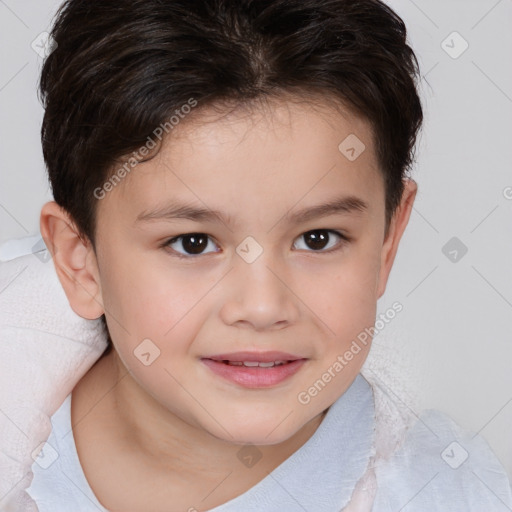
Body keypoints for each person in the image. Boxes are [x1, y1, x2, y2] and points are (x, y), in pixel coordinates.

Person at [16, 0, 511, 510]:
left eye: (318, 238)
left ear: (388, 239)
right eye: (193, 243)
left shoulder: (455, 496)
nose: (262, 306)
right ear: (80, 260)